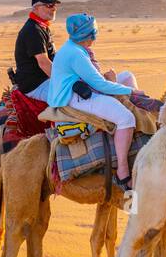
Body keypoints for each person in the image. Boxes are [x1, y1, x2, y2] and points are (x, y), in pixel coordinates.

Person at [45, 13, 145, 190]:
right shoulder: (76, 54)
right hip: (73, 99)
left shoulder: (73, 47)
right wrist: (132, 92)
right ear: (88, 34)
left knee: (127, 76)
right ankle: (123, 171)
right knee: (126, 119)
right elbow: (101, 85)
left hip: (80, 89)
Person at [13, 0, 60, 99]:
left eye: (54, 5)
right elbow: (44, 63)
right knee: (74, 97)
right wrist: (64, 81)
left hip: (45, 79)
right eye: (49, 5)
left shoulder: (42, 26)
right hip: (36, 84)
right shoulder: (33, 30)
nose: (53, 8)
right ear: (35, 8)